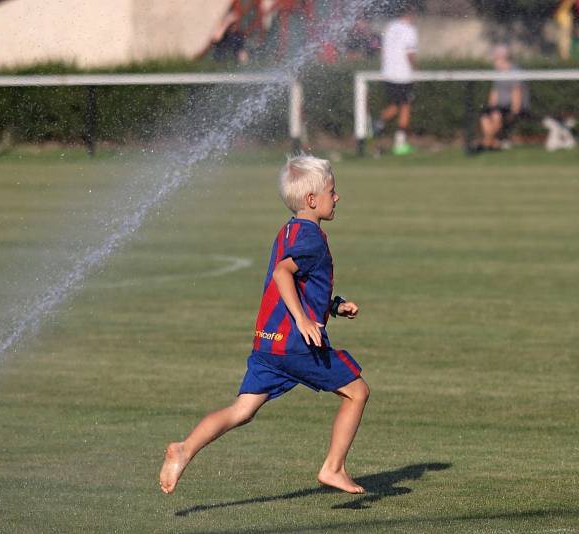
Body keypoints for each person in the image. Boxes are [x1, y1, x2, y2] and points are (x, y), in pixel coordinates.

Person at [159, 155, 370, 495]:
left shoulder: (289, 229)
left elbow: (301, 283)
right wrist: (303, 320)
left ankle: (184, 448)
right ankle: (334, 468)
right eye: (333, 190)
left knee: (242, 410)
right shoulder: (312, 238)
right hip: (296, 345)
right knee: (357, 392)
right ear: (312, 200)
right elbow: (282, 273)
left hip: (267, 343)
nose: (337, 197)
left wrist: (333, 305)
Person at [374, 5, 418, 155]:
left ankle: (376, 124)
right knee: (405, 106)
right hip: (403, 74)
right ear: (410, 13)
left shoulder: (390, 27)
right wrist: (416, 70)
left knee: (395, 105)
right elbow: (410, 54)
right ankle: (400, 144)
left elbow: (383, 50)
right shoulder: (409, 30)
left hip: (388, 73)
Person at [477, 45, 530, 151]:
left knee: (496, 116)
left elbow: (517, 93)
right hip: (499, 107)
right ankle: (493, 143)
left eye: (496, 58)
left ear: (503, 58)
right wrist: (491, 107)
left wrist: (514, 112)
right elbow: (494, 92)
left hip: (512, 107)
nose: (494, 60)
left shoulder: (514, 71)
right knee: (485, 116)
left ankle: (486, 143)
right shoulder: (497, 72)